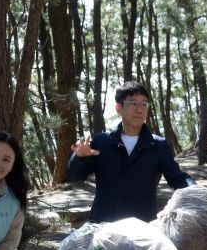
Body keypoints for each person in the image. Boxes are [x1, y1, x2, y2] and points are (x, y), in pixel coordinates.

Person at [66, 80, 194, 222]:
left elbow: (177, 178)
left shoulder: (157, 145)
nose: (140, 109)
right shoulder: (101, 142)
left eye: (144, 103)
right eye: (133, 103)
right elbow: (74, 175)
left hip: (142, 228)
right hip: (104, 227)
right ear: (118, 108)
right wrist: (79, 157)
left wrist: (196, 190)